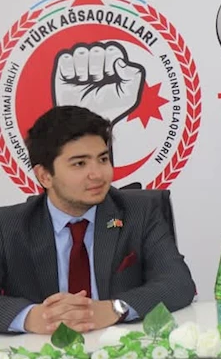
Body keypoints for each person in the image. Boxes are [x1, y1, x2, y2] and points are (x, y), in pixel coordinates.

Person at [0, 106, 196, 334]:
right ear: (45, 176)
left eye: (102, 159)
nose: (98, 174)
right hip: (40, 351)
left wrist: (116, 308)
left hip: (121, 347)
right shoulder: (9, 225)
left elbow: (177, 283)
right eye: (79, 164)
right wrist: (30, 317)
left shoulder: (140, 212)